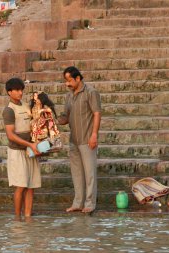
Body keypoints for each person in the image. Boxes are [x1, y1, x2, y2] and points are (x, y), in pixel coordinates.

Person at [58, 66, 101, 213]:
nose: (67, 84)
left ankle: (90, 204)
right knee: (77, 174)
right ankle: (77, 203)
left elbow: (96, 113)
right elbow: (64, 118)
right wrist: (49, 117)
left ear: (78, 78)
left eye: (69, 80)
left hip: (87, 139)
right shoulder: (69, 96)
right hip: (74, 140)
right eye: (66, 81)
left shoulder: (91, 92)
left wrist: (94, 134)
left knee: (90, 174)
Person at [2, 78, 41, 217]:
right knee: (21, 186)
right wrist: (30, 144)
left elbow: (35, 124)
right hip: (17, 152)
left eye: (21, 90)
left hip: (30, 150)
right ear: (9, 92)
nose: (20, 92)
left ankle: (28, 216)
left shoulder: (26, 106)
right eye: (17, 90)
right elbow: (10, 135)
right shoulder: (9, 110)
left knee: (31, 186)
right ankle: (17, 217)